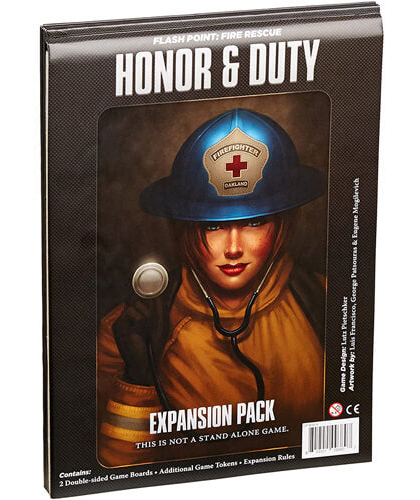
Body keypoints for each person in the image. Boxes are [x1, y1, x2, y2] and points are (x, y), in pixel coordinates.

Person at [97, 108, 326, 467]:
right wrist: (138, 378)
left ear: (284, 225)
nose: (233, 248)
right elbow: (115, 470)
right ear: (184, 228)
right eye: (213, 226)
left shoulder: (325, 304)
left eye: (254, 221)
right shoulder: (126, 333)